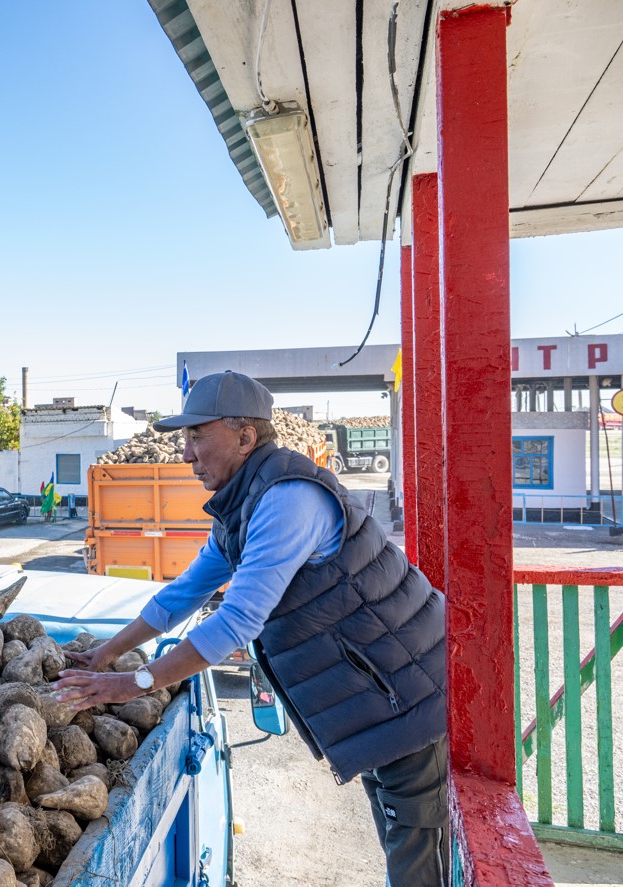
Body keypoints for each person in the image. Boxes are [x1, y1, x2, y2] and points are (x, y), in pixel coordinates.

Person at [53, 370, 449, 886]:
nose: (186, 455)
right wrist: (106, 653)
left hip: (407, 695)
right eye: (184, 439)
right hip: (377, 704)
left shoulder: (288, 499)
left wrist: (137, 682)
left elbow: (237, 620)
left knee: (416, 853)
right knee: (399, 832)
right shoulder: (242, 505)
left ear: (245, 437)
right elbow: (182, 594)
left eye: (198, 437)